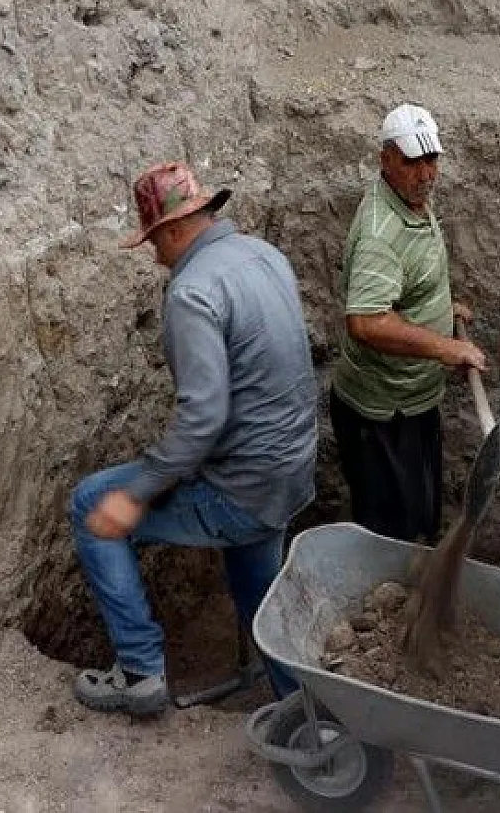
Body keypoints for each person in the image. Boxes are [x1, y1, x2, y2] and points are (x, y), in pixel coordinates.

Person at [70, 161, 318, 714]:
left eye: (154, 242)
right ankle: (303, 705)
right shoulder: (265, 255)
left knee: (92, 503)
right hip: (289, 470)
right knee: (258, 585)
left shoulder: (193, 290)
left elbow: (203, 417)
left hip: (242, 484)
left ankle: (140, 672)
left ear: (175, 230)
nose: (155, 257)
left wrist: (135, 496)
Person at [329, 103, 486, 543]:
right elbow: (366, 321)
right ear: (386, 160)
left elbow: (402, 284)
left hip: (409, 404)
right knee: (390, 538)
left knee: (418, 521)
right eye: (412, 162)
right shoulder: (382, 233)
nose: (425, 174)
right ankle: (385, 610)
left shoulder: (410, 202)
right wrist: (446, 348)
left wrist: (440, 308)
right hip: (380, 415)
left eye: (431, 160)